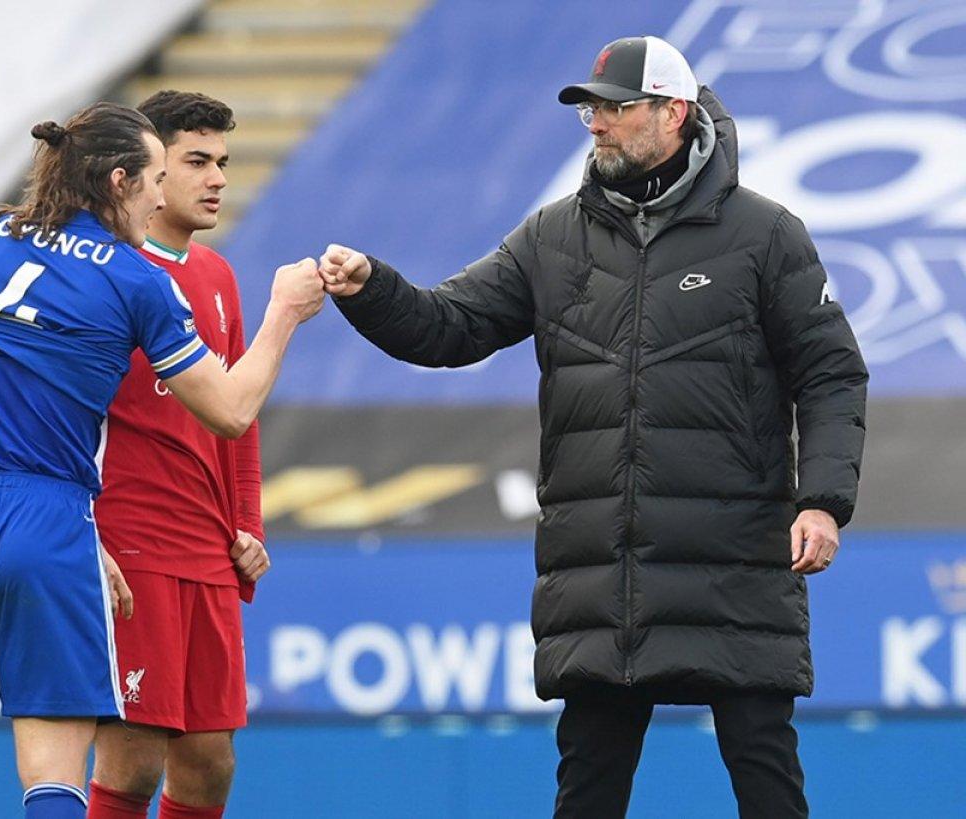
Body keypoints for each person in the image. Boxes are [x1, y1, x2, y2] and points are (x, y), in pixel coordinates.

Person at [318, 35, 867, 819]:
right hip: (606, 583)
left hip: (736, 567)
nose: (597, 123)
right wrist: (371, 287)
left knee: (767, 781)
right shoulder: (550, 237)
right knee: (588, 794)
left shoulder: (765, 234)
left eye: (616, 108)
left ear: (673, 113)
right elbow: (448, 328)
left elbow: (831, 373)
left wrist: (823, 501)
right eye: (590, 111)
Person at [0, 101, 324, 819]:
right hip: (55, 523)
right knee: (54, 774)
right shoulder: (137, 280)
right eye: (157, 178)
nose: (160, 198)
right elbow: (231, 410)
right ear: (119, 181)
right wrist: (286, 312)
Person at [86, 91, 264, 819]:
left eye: (222, 161)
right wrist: (83, 530)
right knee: (132, 758)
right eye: (196, 161)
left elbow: (240, 412)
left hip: (207, 546)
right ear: (151, 170)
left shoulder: (218, 276)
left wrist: (247, 522)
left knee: (210, 762)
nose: (216, 178)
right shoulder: (105, 271)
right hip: (132, 541)